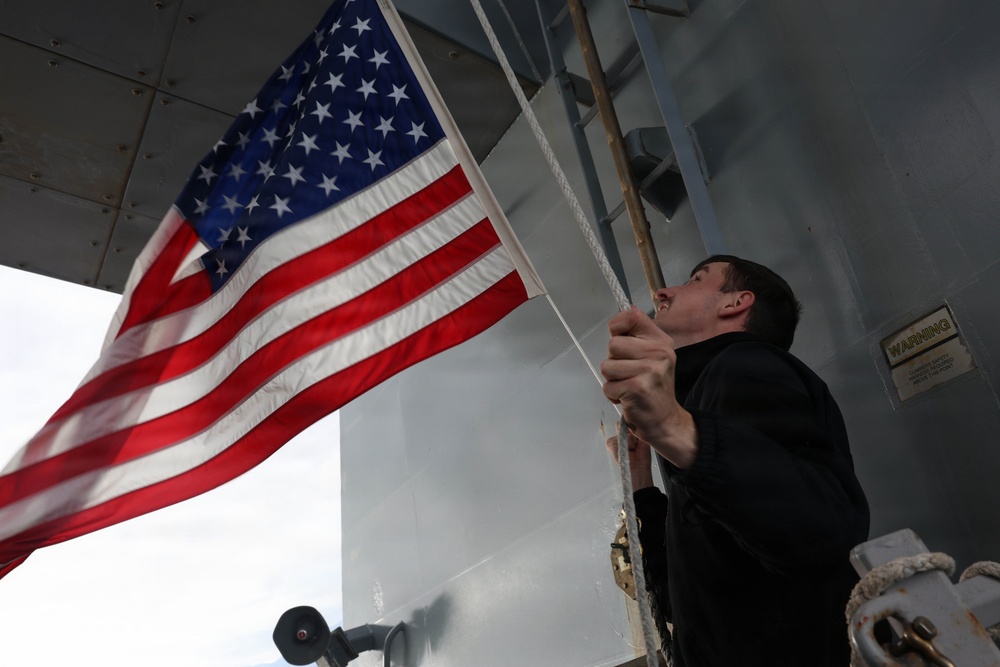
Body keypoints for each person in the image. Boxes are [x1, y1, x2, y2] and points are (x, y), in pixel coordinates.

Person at [600, 255, 870, 667]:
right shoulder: (703, 399)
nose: (663, 291)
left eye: (695, 279)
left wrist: (675, 427)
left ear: (736, 303)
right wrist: (641, 480)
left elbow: (821, 530)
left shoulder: (746, 365)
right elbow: (681, 601)